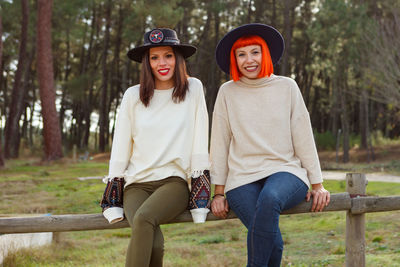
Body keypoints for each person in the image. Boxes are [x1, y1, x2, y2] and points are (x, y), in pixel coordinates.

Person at [210, 23, 330, 267]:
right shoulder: (227, 92)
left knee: (270, 198)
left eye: (255, 52)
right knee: (271, 242)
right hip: (242, 177)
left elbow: (303, 136)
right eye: (241, 54)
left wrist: (317, 184)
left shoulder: (287, 87)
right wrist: (219, 192)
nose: (249, 60)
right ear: (234, 59)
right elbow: (219, 143)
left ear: (265, 53)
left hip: (285, 170)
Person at [106, 28, 209, 267]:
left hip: (173, 182)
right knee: (154, 242)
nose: (161, 63)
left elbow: (200, 141)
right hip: (136, 185)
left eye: (168, 55)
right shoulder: (133, 95)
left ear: (178, 59)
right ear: (147, 62)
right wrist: (112, 199)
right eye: (154, 57)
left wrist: (200, 195)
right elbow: (121, 145)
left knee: (143, 219)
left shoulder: (193, 89)